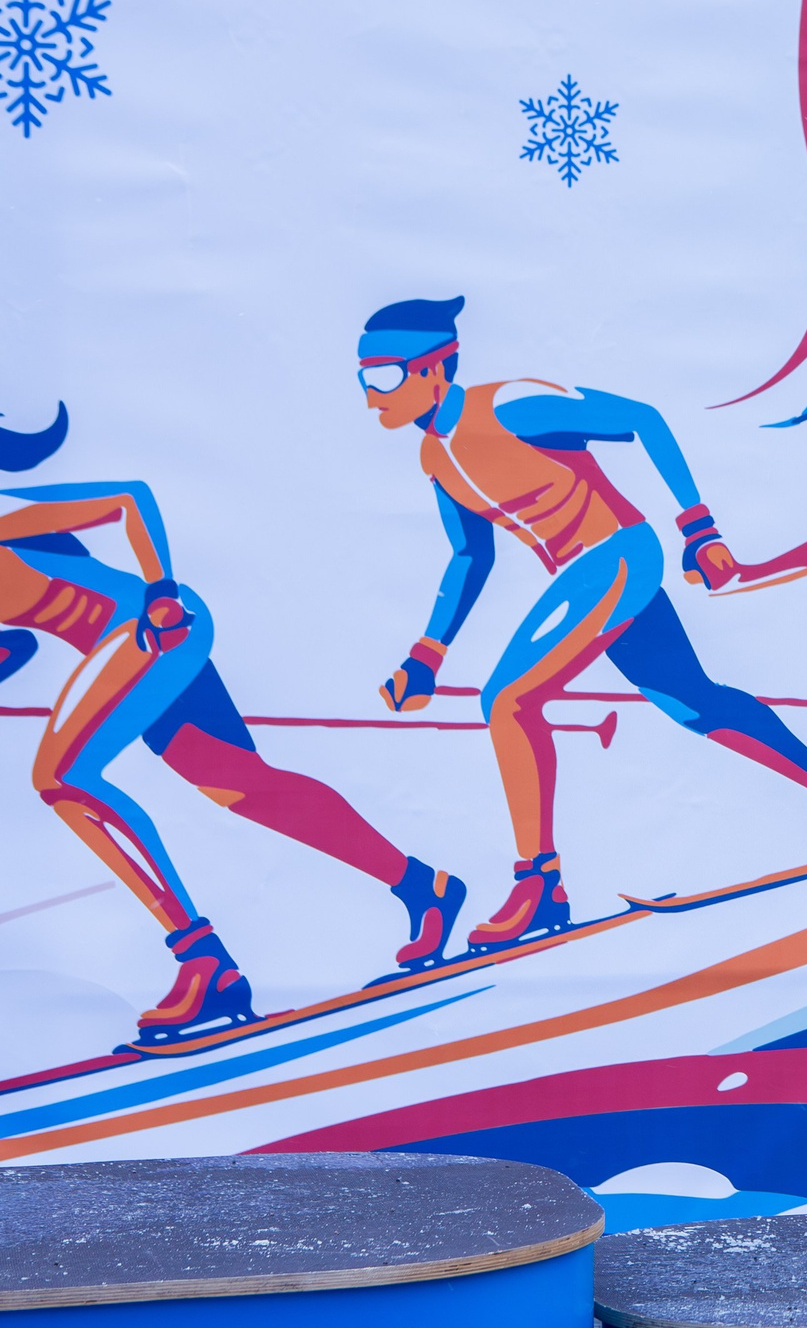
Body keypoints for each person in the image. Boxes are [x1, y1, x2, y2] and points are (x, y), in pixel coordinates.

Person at [360, 298, 807, 948]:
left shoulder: (510, 405)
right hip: (581, 575)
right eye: (363, 378)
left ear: (435, 369)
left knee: (508, 700)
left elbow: (642, 419)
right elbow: (471, 554)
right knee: (691, 700)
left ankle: (539, 881)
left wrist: (700, 529)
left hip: (616, 557)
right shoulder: (435, 458)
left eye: (383, 376)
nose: (371, 394)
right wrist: (427, 653)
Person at [0, 407, 466, 1042]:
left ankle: (203, 961)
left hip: (153, 630)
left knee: (61, 777)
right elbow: (15, 648)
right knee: (245, 787)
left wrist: (161, 588)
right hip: (130, 651)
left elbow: (128, 500)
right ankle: (424, 887)